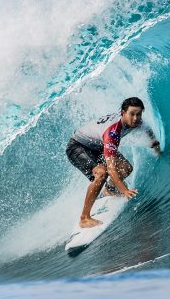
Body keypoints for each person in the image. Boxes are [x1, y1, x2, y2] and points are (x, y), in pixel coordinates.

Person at [66, 97, 162, 228]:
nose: (135, 118)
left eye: (138, 114)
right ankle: (84, 218)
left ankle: (109, 190)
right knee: (101, 174)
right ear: (123, 113)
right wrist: (124, 190)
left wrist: (155, 145)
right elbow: (111, 169)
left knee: (126, 168)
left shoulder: (137, 122)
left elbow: (148, 131)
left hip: (97, 145)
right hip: (78, 147)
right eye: (132, 114)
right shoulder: (113, 133)